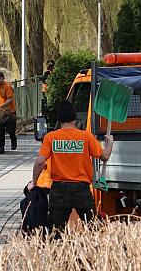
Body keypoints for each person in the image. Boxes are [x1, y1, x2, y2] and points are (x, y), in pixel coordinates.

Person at [27, 100, 113, 236]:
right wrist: (110, 143)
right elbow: (105, 156)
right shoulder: (86, 137)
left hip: (59, 190)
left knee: (56, 231)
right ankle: (94, 254)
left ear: (59, 119)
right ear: (75, 118)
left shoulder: (51, 137)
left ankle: (56, 254)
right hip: (81, 190)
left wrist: (34, 182)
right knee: (93, 228)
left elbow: (39, 162)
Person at [0, 71, 17, 154]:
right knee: (0, 129)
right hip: (1, 112)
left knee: (10, 129)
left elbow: (10, 100)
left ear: (3, 78)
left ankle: (13, 140)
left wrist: (2, 105)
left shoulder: (7, 87)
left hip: (10, 111)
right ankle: (1, 147)